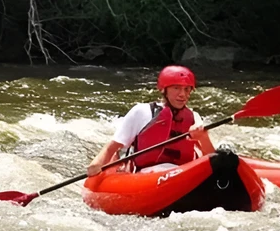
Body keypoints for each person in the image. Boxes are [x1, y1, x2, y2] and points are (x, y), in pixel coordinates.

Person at [87, 65, 215, 176]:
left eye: (187, 89)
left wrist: (203, 137)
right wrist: (97, 164)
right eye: (176, 88)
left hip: (183, 173)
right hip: (147, 175)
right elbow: (113, 147)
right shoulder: (142, 112)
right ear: (164, 90)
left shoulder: (194, 117)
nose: (182, 94)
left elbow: (211, 158)